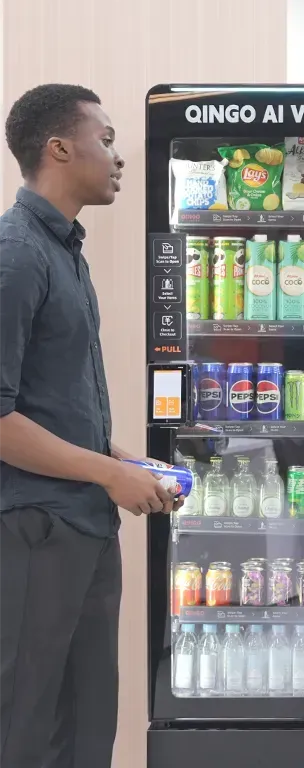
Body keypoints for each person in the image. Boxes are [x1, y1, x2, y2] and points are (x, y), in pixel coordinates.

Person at [0, 84, 182, 768]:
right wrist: (108, 474)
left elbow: (52, 401)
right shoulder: (15, 255)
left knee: (86, 722)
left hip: (84, 526)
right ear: (58, 148)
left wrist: (120, 459)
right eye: (104, 140)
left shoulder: (64, 251)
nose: (116, 156)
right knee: (25, 723)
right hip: (35, 531)